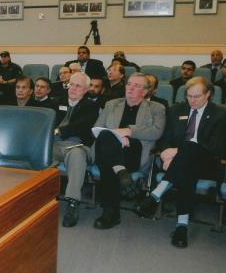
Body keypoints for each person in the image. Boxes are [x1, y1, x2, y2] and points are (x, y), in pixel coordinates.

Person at [136, 77, 226, 248]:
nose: (192, 100)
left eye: (197, 96)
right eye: (189, 96)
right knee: (187, 169)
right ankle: (182, 226)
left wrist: (177, 154)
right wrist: (167, 154)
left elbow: (216, 147)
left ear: (208, 94)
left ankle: (156, 194)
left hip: (207, 163)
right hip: (181, 164)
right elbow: (166, 140)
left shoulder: (221, 114)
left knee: (189, 148)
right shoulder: (175, 110)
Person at [91, 74, 166, 230]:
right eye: (129, 84)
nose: (130, 88)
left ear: (145, 92)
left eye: (137, 86)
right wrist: (116, 136)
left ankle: (110, 212)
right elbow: (96, 129)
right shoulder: (112, 104)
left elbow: (157, 132)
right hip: (109, 150)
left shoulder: (157, 108)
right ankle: (120, 172)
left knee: (107, 162)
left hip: (134, 153)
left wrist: (129, 131)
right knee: (106, 138)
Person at [51, 73, 100, 227]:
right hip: (54, 146)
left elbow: (81, 127)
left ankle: (72, 203)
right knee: (35, 149)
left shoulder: (91, 107)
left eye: (78, 86)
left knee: (77, 156)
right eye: (71, 84)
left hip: (78, 147)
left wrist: (58, 131)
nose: (73, 88)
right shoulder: (56, 102)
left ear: (86, 89)